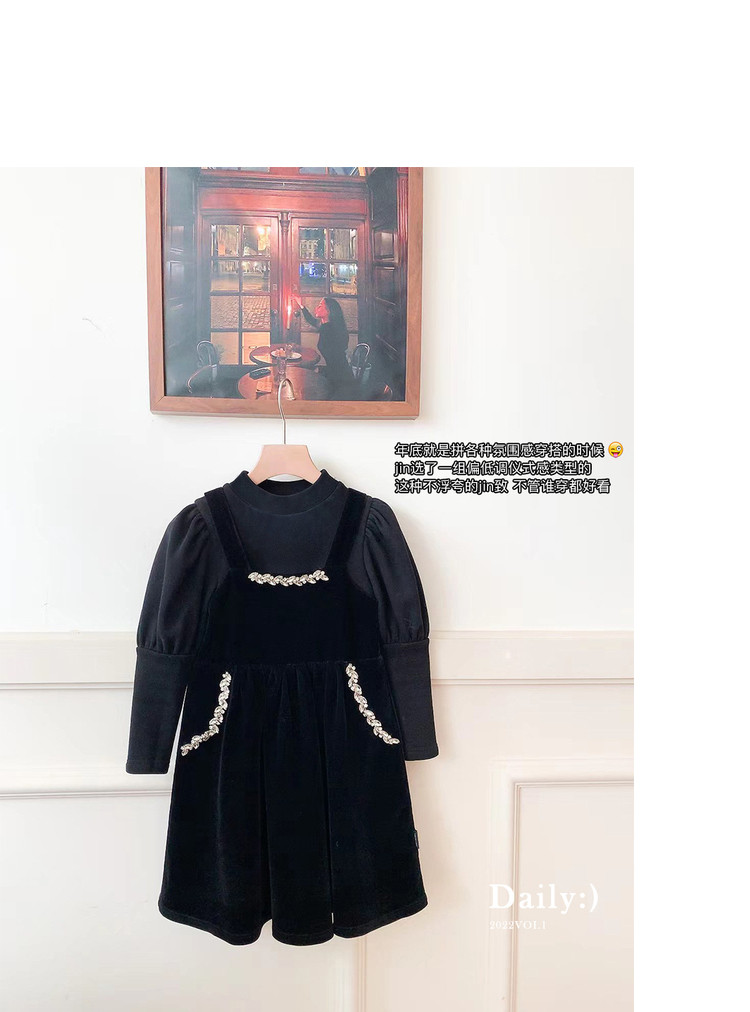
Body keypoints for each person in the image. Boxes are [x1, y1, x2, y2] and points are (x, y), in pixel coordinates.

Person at [293, 295, 352, 393]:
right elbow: (311, 320)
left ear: (328, 311)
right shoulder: (327, 326)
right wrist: (301, 305)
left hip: (340, 380)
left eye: (320, 306)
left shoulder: (329, 330)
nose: (317, 308)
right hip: (338, 373)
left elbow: (335, 361)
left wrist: (320, 371)